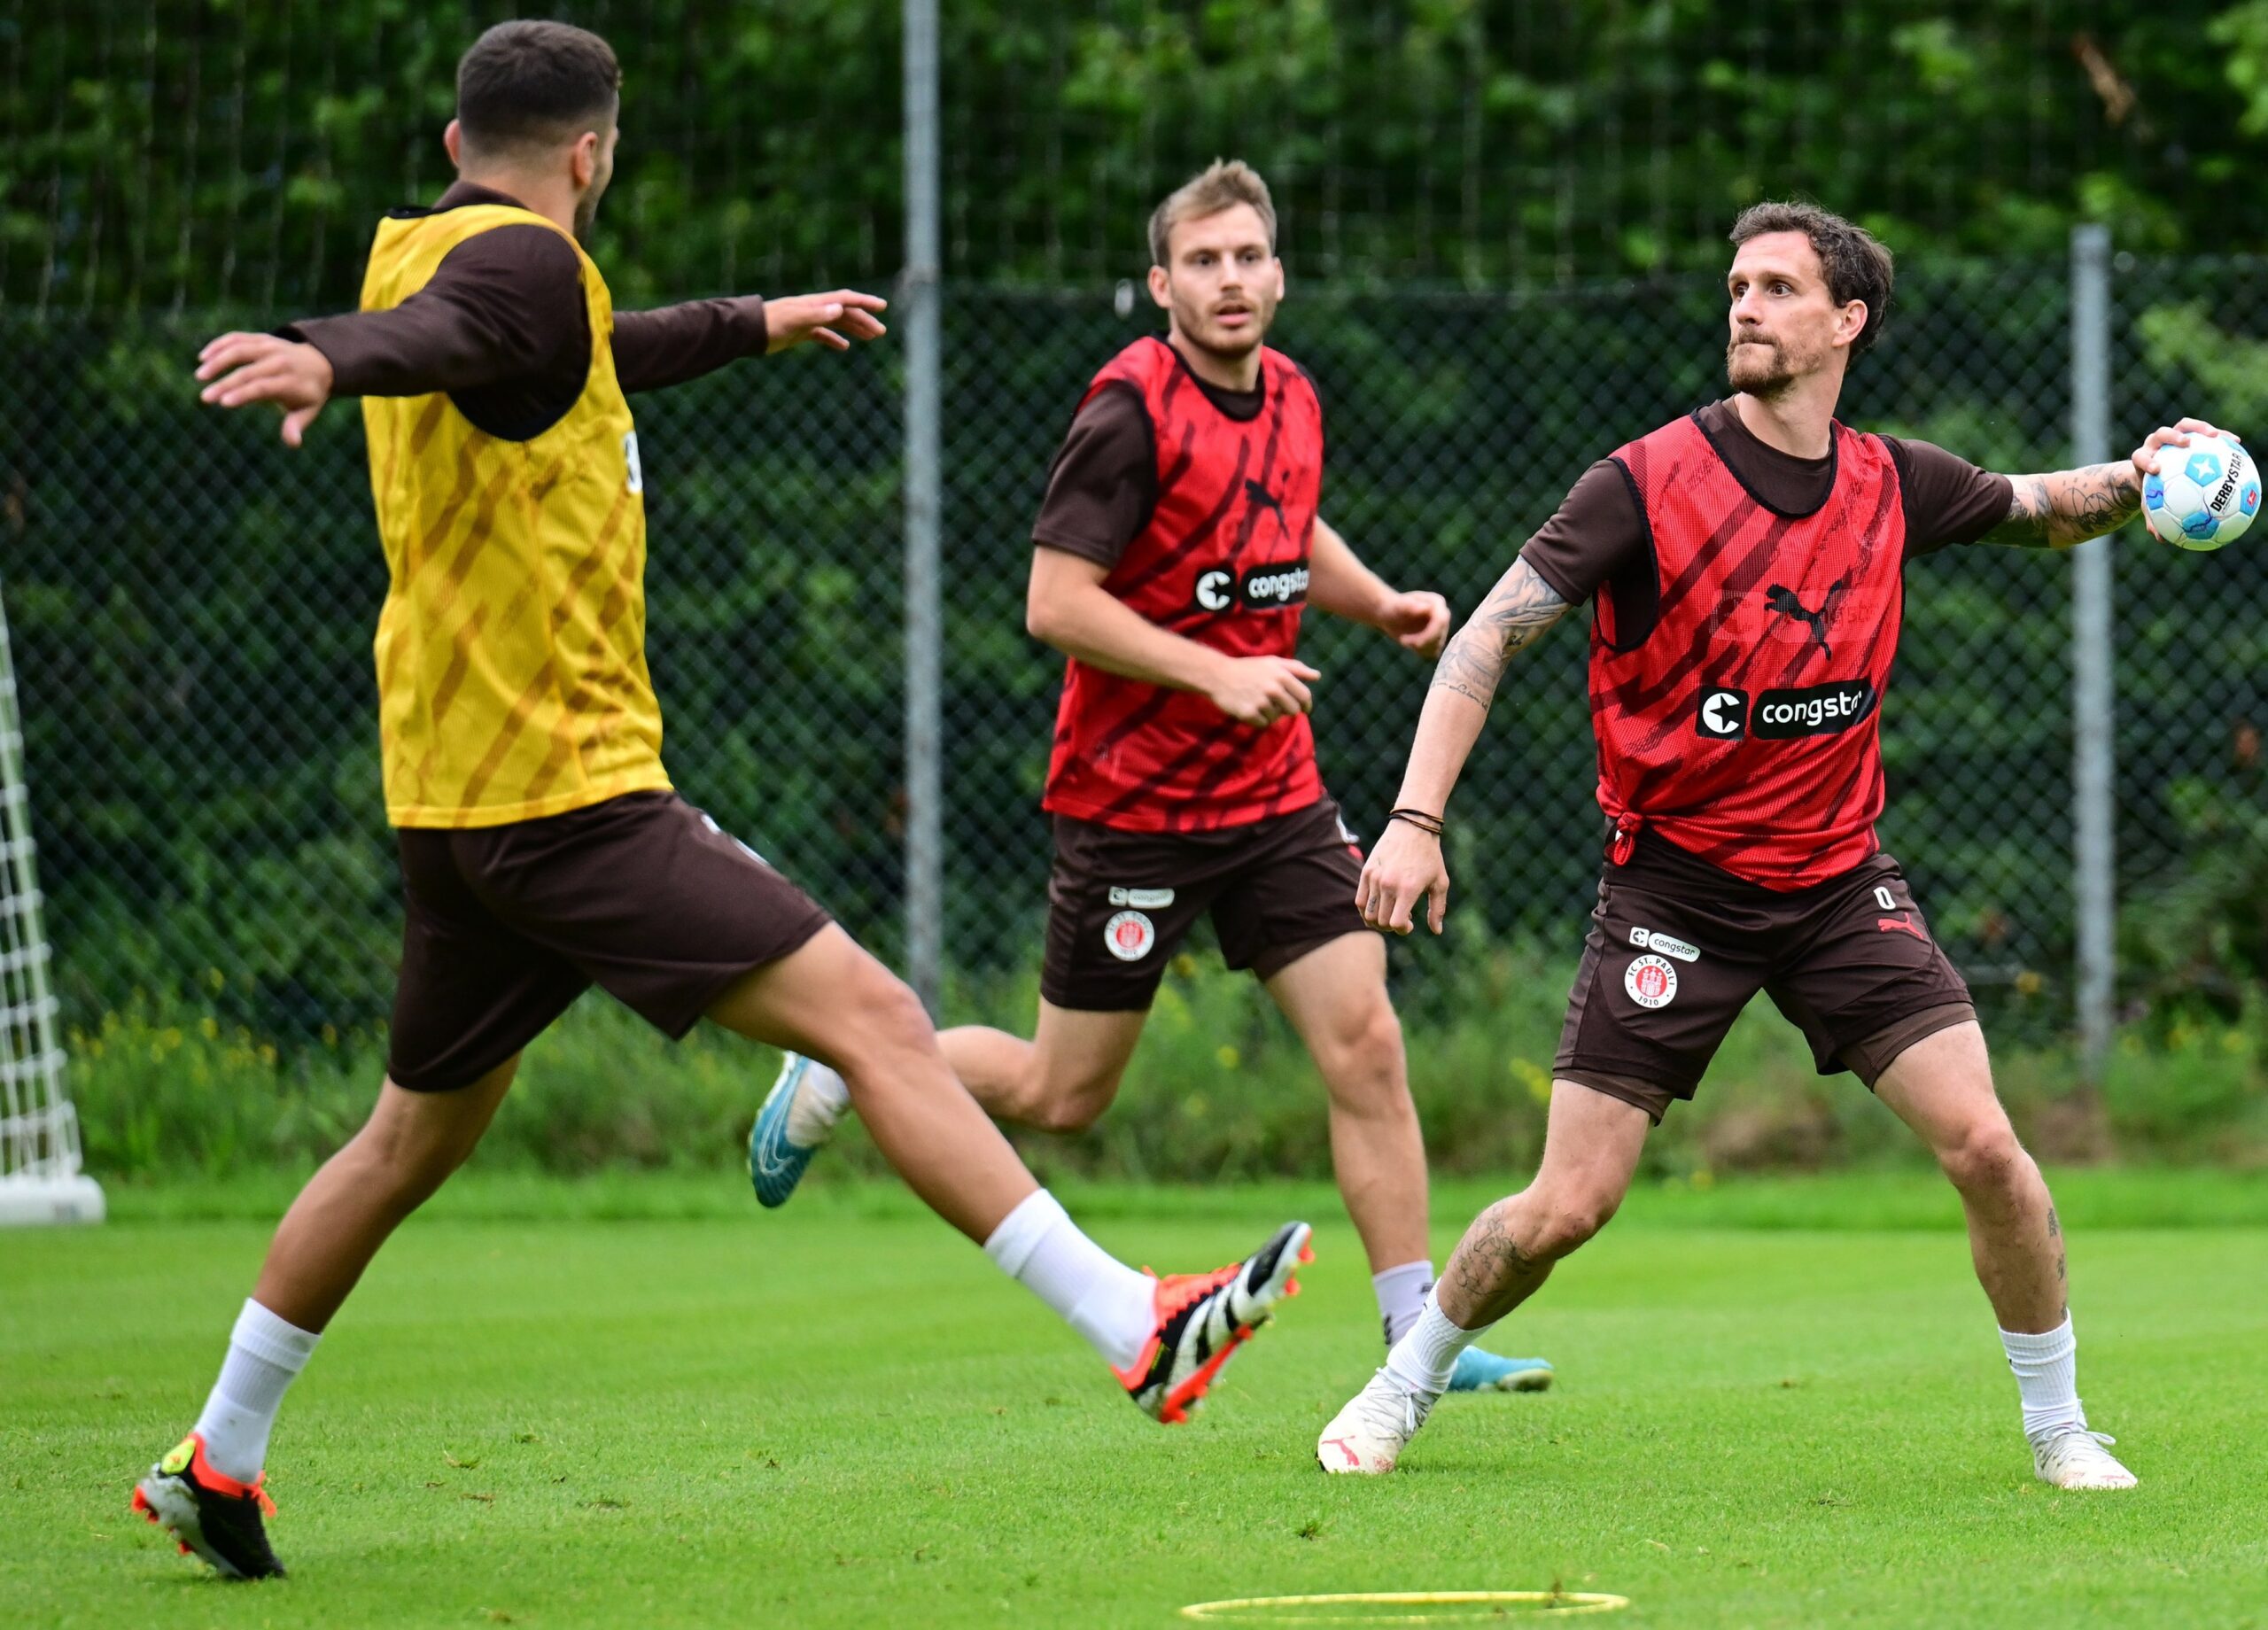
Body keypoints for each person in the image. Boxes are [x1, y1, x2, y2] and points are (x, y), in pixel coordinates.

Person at [133, 23, 1310, 1583]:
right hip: (571, 797)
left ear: (451, 143)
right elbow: (476, 324)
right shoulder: (518, 271)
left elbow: (561, 345)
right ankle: (1133, 1326)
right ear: (593, 154)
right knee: (877, 1021)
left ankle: (219, 1456)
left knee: (403, 1146)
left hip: (451, 795)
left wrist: (758, 320)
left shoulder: (440, 247)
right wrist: (334, 354)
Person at [1317, 199, 2228, 1491]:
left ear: (1846, 321)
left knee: (1988, 1151)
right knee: (1568, 1207)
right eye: (1738, 284)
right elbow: (1486, 638)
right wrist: (1414, 818)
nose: (1744, 305)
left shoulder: (1891, 481)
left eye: (1779, 288)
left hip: (1839, 881)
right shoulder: (1641, 483)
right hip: (1673, 889)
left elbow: (2047, 506)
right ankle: (1401, 1387)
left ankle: (2061, 1430)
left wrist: (2149, 481)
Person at [750, 159, 1551, 1396]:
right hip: (1135, 804)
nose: (1231, 282)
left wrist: (1374, 600)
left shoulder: (1291, 393)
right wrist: (1214, 675)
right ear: (1160, 281)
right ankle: (843, 1065)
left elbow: (1285, 526)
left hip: (1275, 798)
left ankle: (1417, 1339)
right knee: (1063, 1093)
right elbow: (1054, 602)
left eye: (1249, 258)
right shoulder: (1126, 410)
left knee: (1368, 1045)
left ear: (1278, 274)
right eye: (1205, 262)